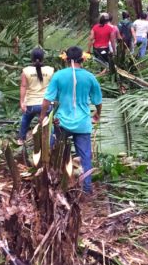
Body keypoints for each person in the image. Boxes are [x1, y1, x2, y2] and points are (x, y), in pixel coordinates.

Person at [40, 46, 103, 194]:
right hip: (82, 123)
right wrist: (97, 114)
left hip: (61, 123)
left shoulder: (59, 76)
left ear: (67, 59)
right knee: (85, 156)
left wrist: (42, 116)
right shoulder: (89, 77)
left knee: (54, 150)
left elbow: (47, 99)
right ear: (82, 59)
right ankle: (87, 188)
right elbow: (98, 100)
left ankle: (52, 181)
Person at [17, 47, 54, 145]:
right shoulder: (50, 70)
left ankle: (21, 139)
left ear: (31, 58)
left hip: (31, 104)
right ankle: (50, 144)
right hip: (47, 104)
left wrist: (22, 102)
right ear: (43, 58)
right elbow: (54, 87)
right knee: (49, 124)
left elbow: (23, 86)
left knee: (26, 119)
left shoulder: (26, 71)